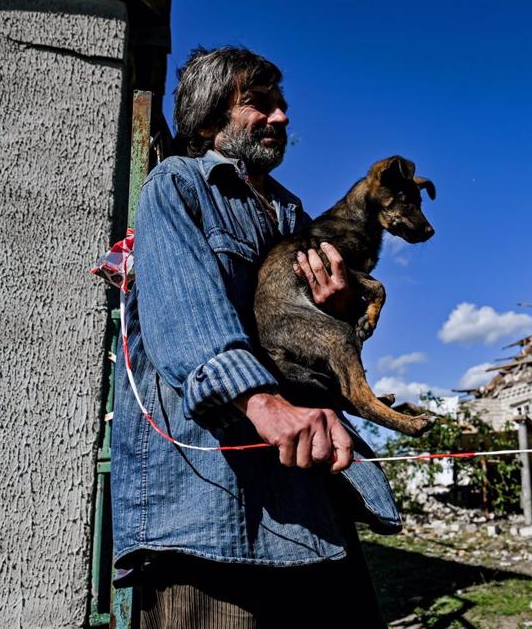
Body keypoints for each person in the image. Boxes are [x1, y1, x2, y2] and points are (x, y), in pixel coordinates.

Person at [110, 46, 398, 628]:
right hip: (213, 506)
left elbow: (307, 350)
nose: (283, 117)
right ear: (211, 119)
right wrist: (263, 402)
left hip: (308, 499)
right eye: (260, 104)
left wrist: (339, 312)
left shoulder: (292, 214)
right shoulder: (177, 186)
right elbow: (185, 314)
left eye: (283, 105)